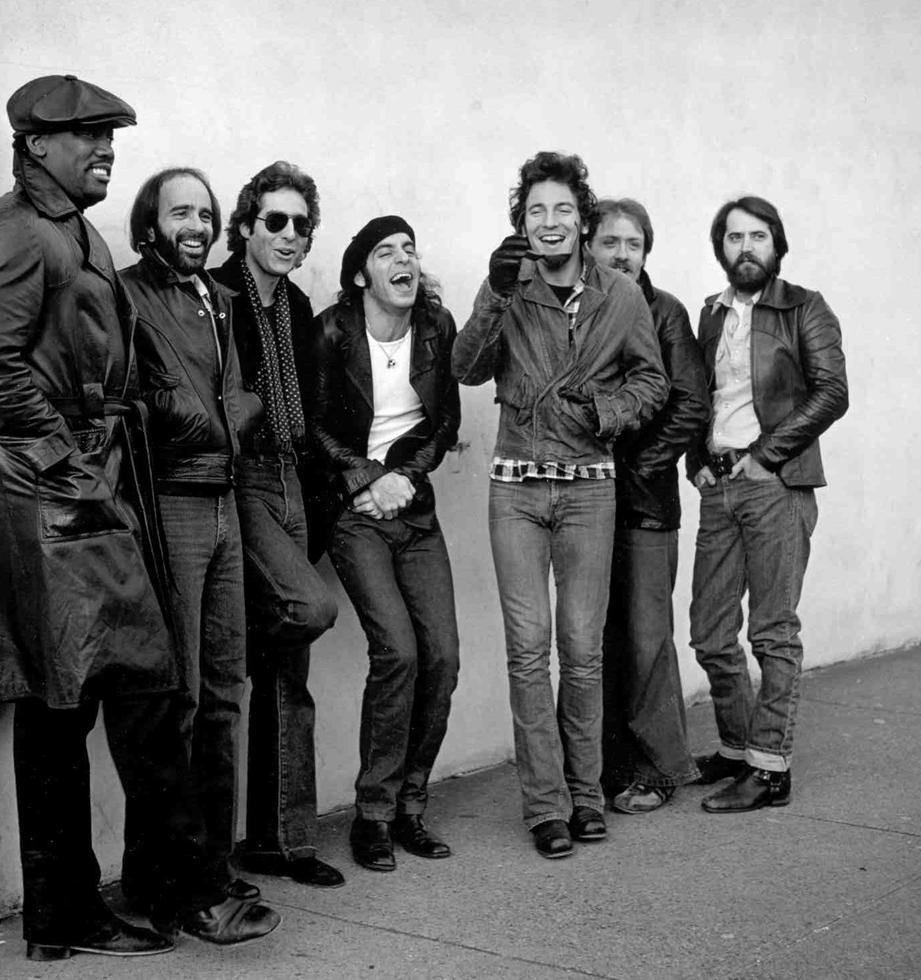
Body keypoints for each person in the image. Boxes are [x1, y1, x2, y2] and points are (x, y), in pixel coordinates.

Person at [0, 75, 274, 960]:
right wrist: (73, 460)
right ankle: (157, 895)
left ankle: (78, 912)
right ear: (35, 145)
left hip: (72, 496)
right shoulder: (15, 234)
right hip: (47, 501)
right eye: (86, 133)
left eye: (109, 133)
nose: (105, 147)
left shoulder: (67, 230)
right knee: (119, 696)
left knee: (82, 705)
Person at [452, 153, 668, 859]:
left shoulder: (620, 295)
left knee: (580, 652)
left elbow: (652, 382)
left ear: (583, 221)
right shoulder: (510, 288)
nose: (549, 223)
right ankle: (545, 807)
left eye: (562, 210)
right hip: (515, 488)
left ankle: (586, 795)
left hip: (588, 489)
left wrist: (604, 411)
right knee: (526, 652)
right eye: (535, 211)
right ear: (522, 222)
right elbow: (465, 367)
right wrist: (490, 291)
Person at [119, 167, 279, 939]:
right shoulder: (126, 293)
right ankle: (173, 888)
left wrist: (231, 413)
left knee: (223, 695)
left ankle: (212, 871)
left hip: (224, 501)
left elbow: (241, 390)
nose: (197, 224)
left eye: (206, 214)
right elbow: (116, 397)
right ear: (150, 221)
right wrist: (180, 415)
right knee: (175, 702)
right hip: (173, 504)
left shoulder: (216, 299)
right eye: (181, 211)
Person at [688, 195, 848, 812]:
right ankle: (737, 749)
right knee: (709, 632)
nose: (745, 248)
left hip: (776, 484)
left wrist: (765, 454)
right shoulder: (711, 314)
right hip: (719, 486)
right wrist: (696, 461)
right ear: (720, 248)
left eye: (757, 237)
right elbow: (701, 398)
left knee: (773, 631)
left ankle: (770, 768)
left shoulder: (804, 307)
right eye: (733, 238)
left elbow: (833, 393)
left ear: (777, 245)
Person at [311, 216, 461, 873]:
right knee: (397, 651)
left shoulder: (436, 328)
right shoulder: (333, 330)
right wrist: (364, 480)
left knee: (443, 656)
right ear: (360, 274)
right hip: (354, 511)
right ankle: (372, 814)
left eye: (409, 247)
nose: (402, 258)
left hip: (412, 507)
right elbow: (311, 424)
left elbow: (446, 417)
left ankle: (410, 807)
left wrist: (405, 475)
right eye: (385, 251)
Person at [210, 161, 343, 888]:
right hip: (244, 483)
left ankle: (284, 841)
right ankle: (215, 854)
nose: (290, 236)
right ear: (247, 227)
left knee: (288, 670)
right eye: (276, 222)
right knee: (308, 609)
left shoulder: (295, 304)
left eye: (301, 225)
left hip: (297, 483)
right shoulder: (219, 294)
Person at [585, 198, 709, 814]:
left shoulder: (666, 312)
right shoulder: (579, 309)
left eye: (633, 244)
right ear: (589, 246)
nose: (622, 254)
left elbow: (690, 403)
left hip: (643, 503)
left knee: (646, 635)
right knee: (594, 636)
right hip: (582, 498)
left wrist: (637, 469)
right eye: (610, 242)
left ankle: (659, 768)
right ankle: (604, 767)